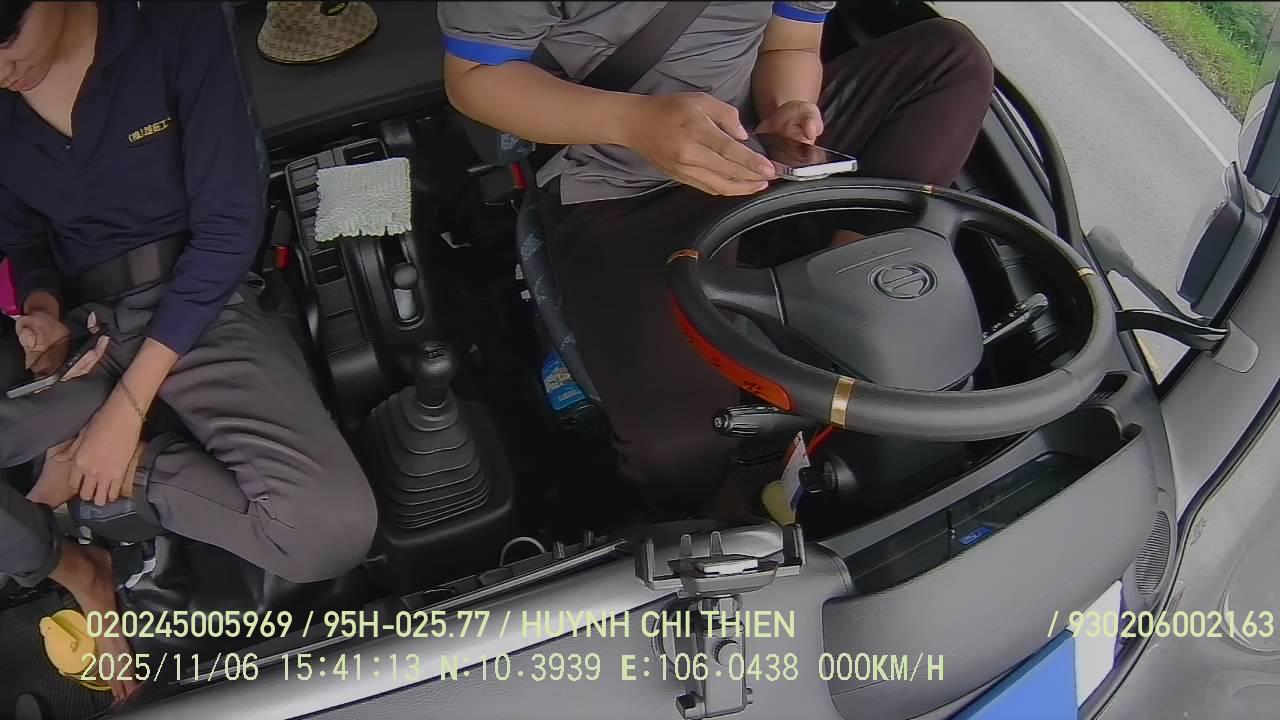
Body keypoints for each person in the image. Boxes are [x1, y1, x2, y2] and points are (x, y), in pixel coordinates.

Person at [439, 2, 995, 514]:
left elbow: (792, 42)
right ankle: (705, 517)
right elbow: (478, 78)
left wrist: (787, 111)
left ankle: (848, 271)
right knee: (678, 449)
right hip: (620, 180)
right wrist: (635, 123)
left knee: (950, 57)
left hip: (754, 141)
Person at [0, 1, 378, 697]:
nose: (2, 69)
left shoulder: (172, 23)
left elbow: (229, 227)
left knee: (331, 532)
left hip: (199, 303)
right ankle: (77, 568)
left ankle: (103, 478)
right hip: (89, 335)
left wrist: (126, 422)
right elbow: (24, 242)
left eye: (7, 38)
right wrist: (43, 310)